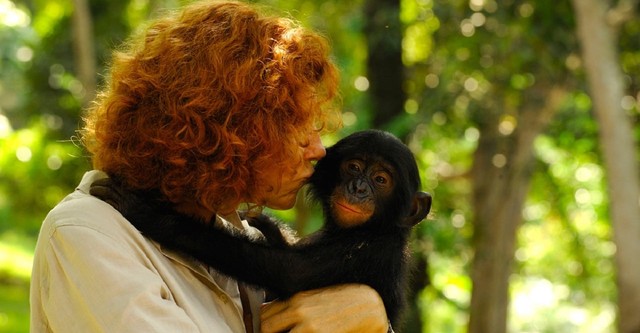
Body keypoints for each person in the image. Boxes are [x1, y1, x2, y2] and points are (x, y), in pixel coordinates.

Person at [29, 1, 392, 332]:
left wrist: (374, 320)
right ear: (231, 131)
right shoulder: (88, 233)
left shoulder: (244, 240)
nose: (319, 150)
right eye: (298, 129)